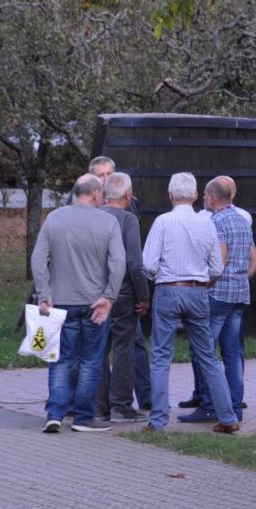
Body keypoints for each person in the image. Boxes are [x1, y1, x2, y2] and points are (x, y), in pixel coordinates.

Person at [141, 172, 240, 434]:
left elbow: (148, 264)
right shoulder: (207, 223)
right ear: (196, 195)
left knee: (161, 356)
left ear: (170, 195)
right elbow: (217, 267)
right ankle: (228, 417)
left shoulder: (162, 222)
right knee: (208, 355)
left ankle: (158, 421)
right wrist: (202, 283)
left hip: (168, 290)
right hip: (198, 292)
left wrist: (159, 277)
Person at [31, 174, 125, 433]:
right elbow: (118, 263)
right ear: (96, 195)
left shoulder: (54, 218)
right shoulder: (108, 222)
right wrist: (109, 297)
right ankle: (84, 418)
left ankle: (55, 413)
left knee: (61, 360)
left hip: (60, 303)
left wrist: (44, 292)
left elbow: (39, 258)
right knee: (92, 360)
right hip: (95, 303)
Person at [178, 177, 256, 423]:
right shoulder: (242, 220)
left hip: (218, 297)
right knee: (233, 354)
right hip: (240, 295)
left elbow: (219, 264)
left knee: (203, 350)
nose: (203, 198)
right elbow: (255, 262)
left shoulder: (216, 222)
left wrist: (205, 287)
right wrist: (239, 280)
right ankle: (235, 407)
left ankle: (207, 406)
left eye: (205, 194)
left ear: (213, 197)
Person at [88, 155, 152, 412]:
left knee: (99, 349)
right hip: (123, 294)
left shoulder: (91, 215)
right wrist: (144, 296)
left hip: (94, 292)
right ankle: (121, 404)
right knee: (124, 349)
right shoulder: (128, 219)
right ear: (127, 194)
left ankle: (99, 404)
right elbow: (134, 263)